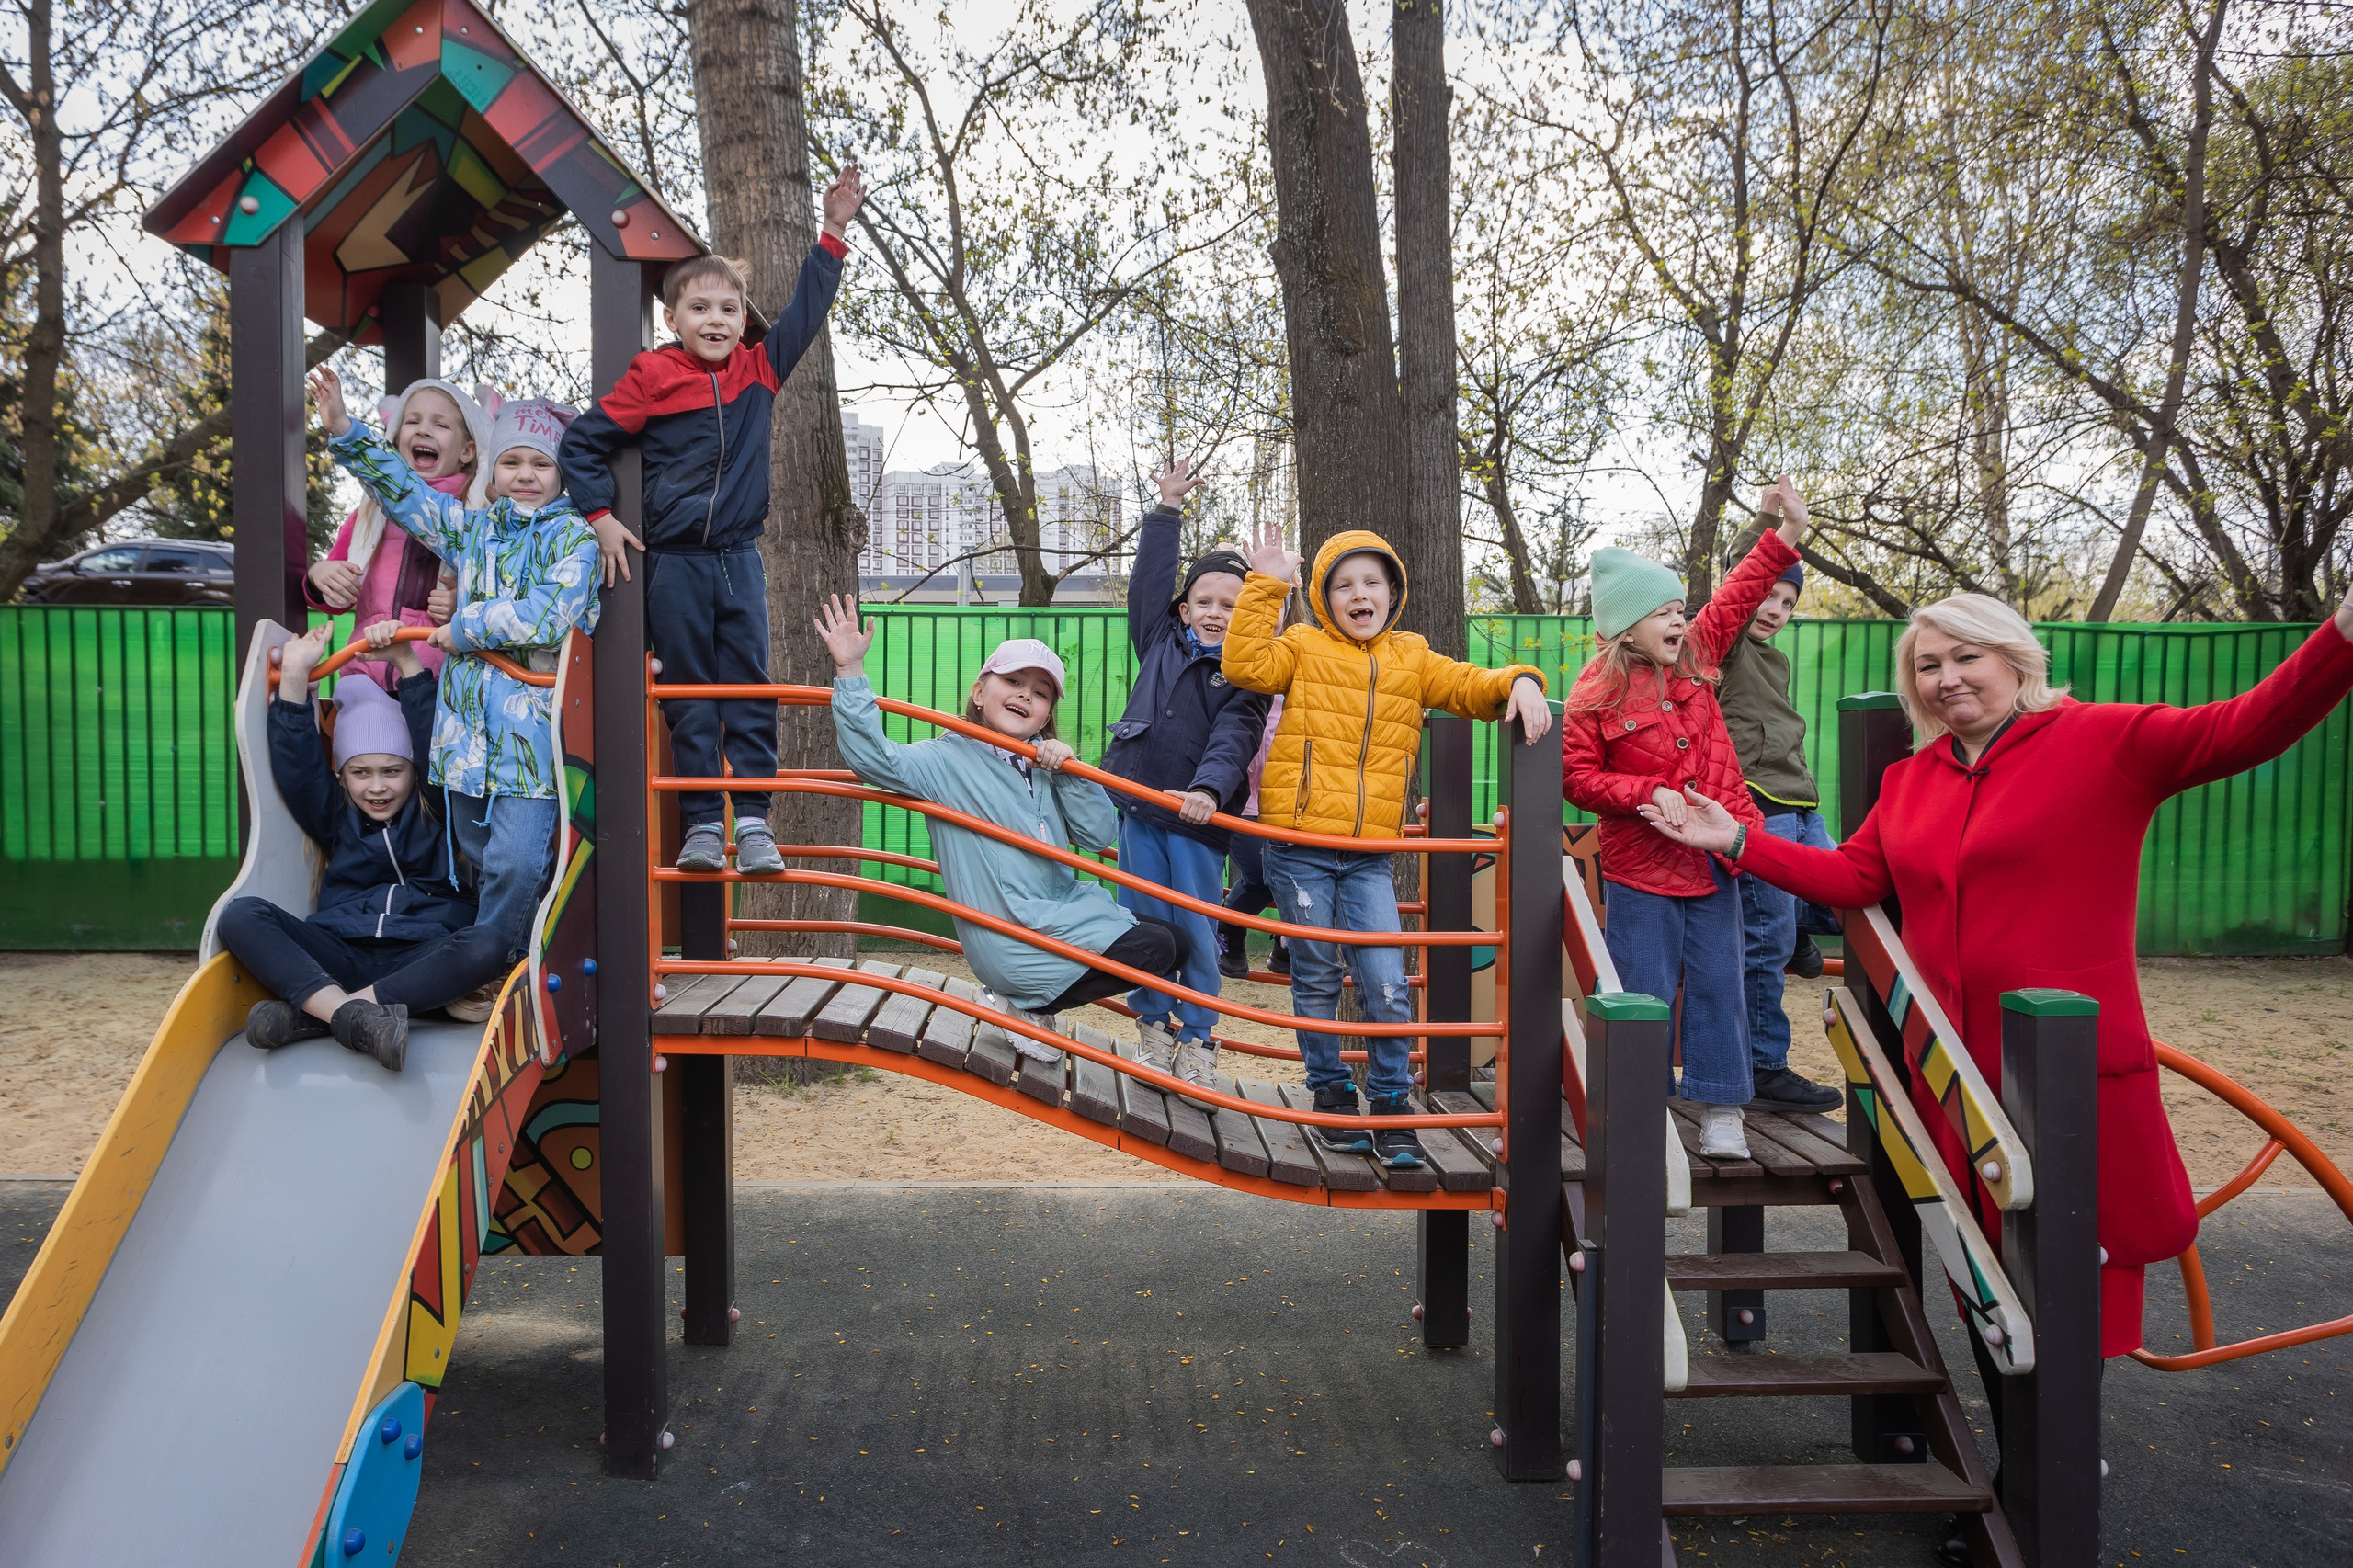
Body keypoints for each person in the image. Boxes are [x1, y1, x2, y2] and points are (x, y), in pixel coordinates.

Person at [1638, 585, 2353, 1395]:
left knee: (2080, 1262)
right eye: (1928, 665)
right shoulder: (1913, 780)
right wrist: (1734, 837)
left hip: (2067, 1067)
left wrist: (2339, 638)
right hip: (1957, 1070)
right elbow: (1853, 876)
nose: (1947, 678)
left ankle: (2059, 1473)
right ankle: (2022, 1462)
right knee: (1983, 1266)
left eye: (1966, 656)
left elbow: (2250, 725)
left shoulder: (2104, 740)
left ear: (2015, 658)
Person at [560, 167, 869, 880]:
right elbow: (581, 444)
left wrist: (834, 232)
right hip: (672, 562)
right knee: (691, 690)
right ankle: (703, 822)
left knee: (748, 685)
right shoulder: (652, 378)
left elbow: (806, 313)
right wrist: (601, 518)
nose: (717, 321)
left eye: (729, 309)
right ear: (673, 318)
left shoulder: (758, 370)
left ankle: (754, 821)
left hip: (738, 558)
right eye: (701, 308)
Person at [1222, 531, 1551, 1169]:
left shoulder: (1413, 657)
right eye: (1343, 585)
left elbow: (1470, 686)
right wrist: (1263, 586)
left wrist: (1523, 681)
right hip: (1300, 845)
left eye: (1372, 582)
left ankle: (1394, 1103)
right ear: (1323, 597)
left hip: (1369, 853)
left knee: (1388, 982)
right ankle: (1332, 1095)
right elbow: (1244, 666)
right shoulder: (1301, 646)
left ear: (1392, 593)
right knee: (1316, 972)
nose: (1358, 594)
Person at [312, 369, 600, 971]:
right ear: (490, 473)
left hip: (528, 736)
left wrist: (464, 627)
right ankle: (478, 957)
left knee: (519, 858)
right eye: (512, 462)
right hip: (464, 736)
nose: (525, 475)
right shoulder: (471, 531)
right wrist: (344, 430)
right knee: (474, 850)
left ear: (562, 475)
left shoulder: (575, 540)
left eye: (540, 465)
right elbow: (404, 493)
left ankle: (494, 963)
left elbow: (549, 616)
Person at [816, 598, 1187, 1065]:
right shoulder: (945, 760)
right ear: (978, 693)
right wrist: (850, 671)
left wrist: (1071, 771)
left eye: (1041, 692)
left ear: (1047, 713)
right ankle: (1024, 1003)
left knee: (1178, 940)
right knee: (1154, 947)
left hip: (1062, 922)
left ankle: (1034, 1007)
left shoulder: (1046, 766)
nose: (1025, 695)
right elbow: (875, 758)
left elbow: (1098, 835)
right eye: (1013, 681)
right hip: (1011, 937)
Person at [1560, 480, 1814, 1159]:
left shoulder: (1699, 654)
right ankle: (1642, 1105)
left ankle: (1723, 1106)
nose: (1681, 619)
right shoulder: (1594, 693)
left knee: (1718, 984)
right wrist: (1643, 791)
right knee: (1643, 988)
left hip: (1713, 859)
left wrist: (1786, 530)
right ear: (1626, 625)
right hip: (1642, 869)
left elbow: (1739, 590)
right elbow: (1578, 777)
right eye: (1666, 611)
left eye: (1681, 609)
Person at [215, 624, 507, 1072]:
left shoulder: (437, 812)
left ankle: (319, 1016)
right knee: (240, 914)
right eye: (361, 772)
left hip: (418, 957)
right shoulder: (336, 818)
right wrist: (293, 675)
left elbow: (435, 746)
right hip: (340, 949)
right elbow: (297, 763)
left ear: (413, 771)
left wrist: (407, 663)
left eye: (392, 771)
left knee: (487, 942)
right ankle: (351, 1016)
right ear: (342, 775)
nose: (377, 787)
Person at [1100, 457, 1268, 1106]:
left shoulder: (1247, 676)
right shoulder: (1159, 640)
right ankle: (1152, 1028)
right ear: (1184, 606)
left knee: (1197, 931)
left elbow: (1235, 741)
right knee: (1145, 921)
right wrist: (1166, 511)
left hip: (1197, 825)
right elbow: (1147, 583)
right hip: (1142, 808)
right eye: (1205, 600)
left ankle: (1198, 1038)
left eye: (1231, 604)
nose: (1217, 612)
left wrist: (1206, 791)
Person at [1715, 501, 1845, 1114]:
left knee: (1848, 899)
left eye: (1788, 603)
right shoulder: (1733, 645)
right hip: (1758, 805)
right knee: (1761, 945)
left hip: (1801, 803)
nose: (1774, 610)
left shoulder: (1779, 660)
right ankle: (1766, 1064)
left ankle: (1797, 931)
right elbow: (1741, 583)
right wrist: (1768, 521)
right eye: (1767, 596)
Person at [304, 379, 492, 688]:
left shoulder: (476, 519)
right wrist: (319, 575)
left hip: (442, 681)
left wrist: (462, 606)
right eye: (412, 421)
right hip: (367, 667)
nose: (423, 430)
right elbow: (334, 601)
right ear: (395, 440)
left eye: (441, 425)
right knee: (371, 736)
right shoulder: (368, 515)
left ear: (468, 451)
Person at [1217, 694, 1290, 981]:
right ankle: (1228, 930)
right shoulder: (1241, 686)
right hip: (1241, 801)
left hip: (1286, 804)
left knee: (1301, 868)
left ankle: (1287, 944)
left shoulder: (1301, 690)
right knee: (1262, 874)